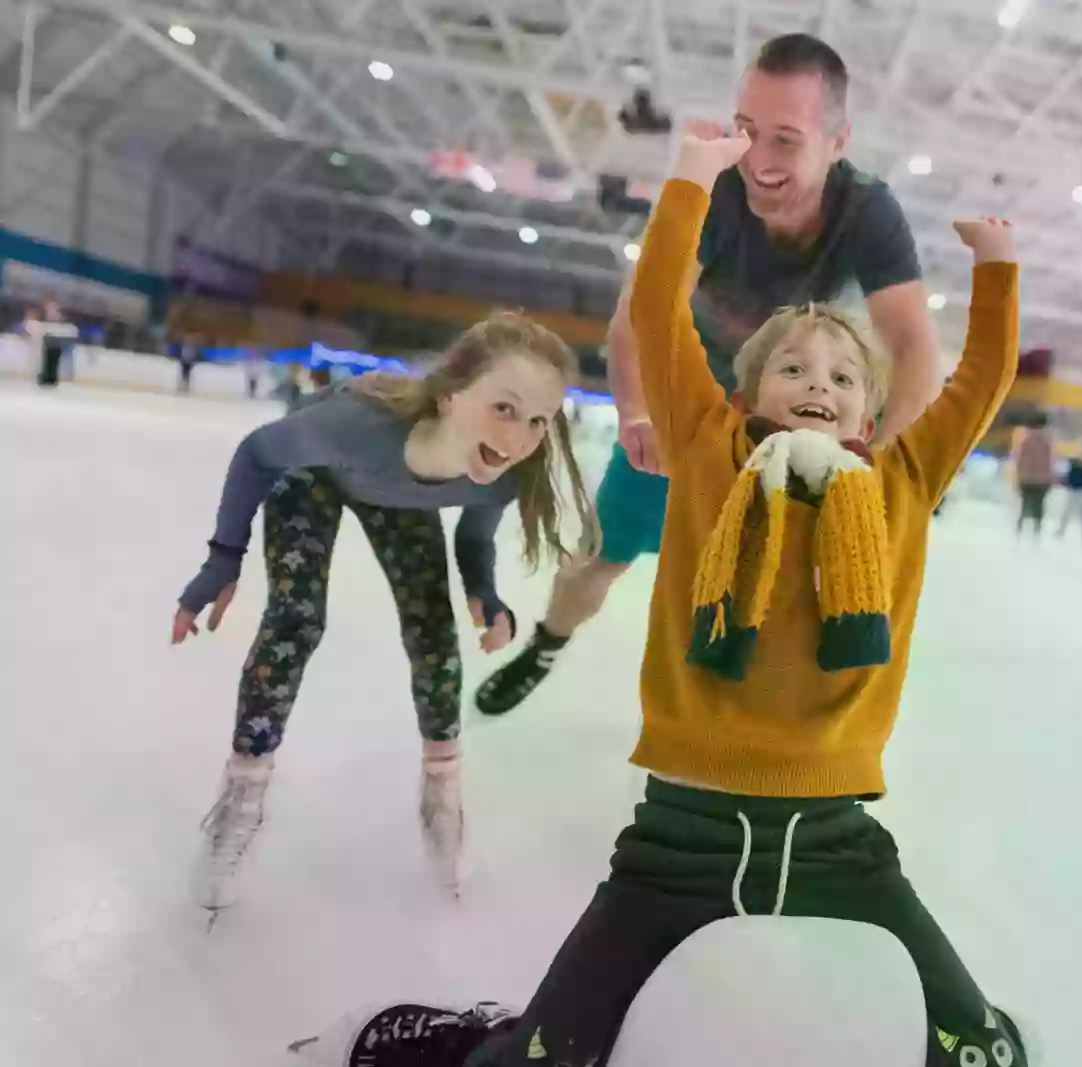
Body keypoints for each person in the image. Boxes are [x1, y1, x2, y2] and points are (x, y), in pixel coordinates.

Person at [287, 130, 1027, 1067]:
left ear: (870, 417)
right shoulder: (710, 446)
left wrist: (996, 268)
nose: (818, 385)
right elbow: (658, 308)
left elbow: (979, 382)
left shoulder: (905, 476)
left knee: (985, 1058)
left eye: (842, 377)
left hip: (841, 837)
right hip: (679, 837)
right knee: (536, 1064)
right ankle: (461, 1039)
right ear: (746, 390)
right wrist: (688, 179)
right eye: (793, 368)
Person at [473, 32, 942, 717]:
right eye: (746, 130)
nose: (759, 159)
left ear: (837, 142)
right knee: (598, 559)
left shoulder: (869, 212)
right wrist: (637, 414)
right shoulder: (715, 188)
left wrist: (882, 464)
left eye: (786, 139)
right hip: (685, 407)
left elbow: (916, 351)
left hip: (779, 424)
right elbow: (638, 317)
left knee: (761, 581)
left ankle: (741, 713)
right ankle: (546, 643)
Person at [172, 313, 594, 917]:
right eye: (504, 408)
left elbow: (475, 535)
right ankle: (241, 798)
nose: (521, 437)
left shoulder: (508, 469)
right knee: (297, 621)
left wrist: (484, 590)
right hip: (315, 476)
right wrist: (222, 561)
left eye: (538, 420)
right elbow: (258, 453)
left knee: (432, 628)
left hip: (395, 490)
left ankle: (442, 797)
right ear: (451, 395)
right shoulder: (353, 425)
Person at [1011, 412, 1055, 538]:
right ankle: (1037, 530)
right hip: (1041, 480)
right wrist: (1050, 478)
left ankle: (1019, 528)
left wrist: (1018, 477)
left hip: (1026, 478)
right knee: (1039, 505)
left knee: (1024, 504)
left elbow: (1020, 459)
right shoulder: (1047, 440)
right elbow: (1049, 462)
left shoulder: (1025, 438)